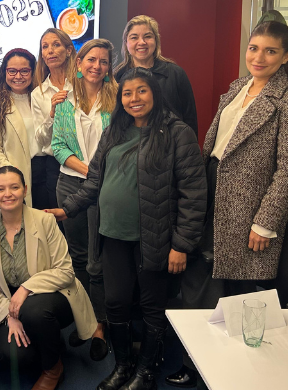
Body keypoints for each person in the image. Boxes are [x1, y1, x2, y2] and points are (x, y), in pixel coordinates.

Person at [167, 20, 288, 390]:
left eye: (270, 51)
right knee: (199, 276)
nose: (259, 57)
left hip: (249, 208)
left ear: (286, 56)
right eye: (253, 48)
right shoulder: (237, 88)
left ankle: (233, 372)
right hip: (211, 190)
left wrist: (266, 222)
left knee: (238, 290)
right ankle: (195, 361)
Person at [48, 68, 207, 390]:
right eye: (127, 93)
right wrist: (68, 208)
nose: (134, 99)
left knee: (151, 306)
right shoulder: (115, 130)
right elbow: (95, 179)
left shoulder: (177, 132)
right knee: (116, 303)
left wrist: (181, 245)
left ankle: (144, 373)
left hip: (155, 238)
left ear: (155, 93)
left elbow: (194, 193)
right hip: (112, 234)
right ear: (120, 98)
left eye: (142, 91)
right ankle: (123, 367)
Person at [0, 166, 97, 390]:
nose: (8, 194)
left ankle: (53, 369)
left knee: (34, 312)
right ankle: (47, 337)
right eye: (0, 189)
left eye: (14, 187)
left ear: (25, 190)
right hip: (11, 301)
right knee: (12, 356)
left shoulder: (45, 221)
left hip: (53, 296)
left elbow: (65, 271)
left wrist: (26, 288)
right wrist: (8, 314)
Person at [51, 38, 117, 360]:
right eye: (91, 59)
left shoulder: (117, 100)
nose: (96, 66)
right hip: (70, 184)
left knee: (97, 260)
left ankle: (101, 324)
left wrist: (96, 174)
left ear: (108, 67)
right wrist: (88, 169)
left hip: (105, 188)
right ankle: (85, 321)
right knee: (77, 257)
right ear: (79, 63)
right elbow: (57, 145)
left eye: (103, 61)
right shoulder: (64, 101)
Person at [114, 15, 198, 135]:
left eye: (147, 36)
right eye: (134, 37)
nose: (141, 42)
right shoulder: (117, 77)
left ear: (156, 41)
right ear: (126, 43)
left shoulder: (175, 74)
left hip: (172, 144)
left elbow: (190, 119)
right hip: (130, 144)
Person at [30, 28, 76, 210]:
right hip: (55, 166)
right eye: (45, 47)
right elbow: (41, 140)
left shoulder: (82, 83)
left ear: (69, 50)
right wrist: (52, 115)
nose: (50, 51)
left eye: (56, 45)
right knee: (59, 217)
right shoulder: (38, 93)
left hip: (85, 158)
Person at [0, 48, 38, 206]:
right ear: (5, 73)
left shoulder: (41, 98)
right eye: (12, 71)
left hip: (45, 172)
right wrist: (7, 167)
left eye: (24, 71)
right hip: (15, 170)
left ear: (33, 72)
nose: (18, 76)